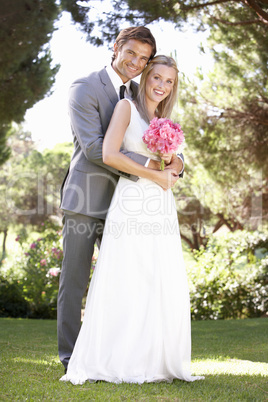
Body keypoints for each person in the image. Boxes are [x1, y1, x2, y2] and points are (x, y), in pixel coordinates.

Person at [60, 55, 203, 384]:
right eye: (157, 78)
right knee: (122, 277)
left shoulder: (162, 117)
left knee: (154, 279)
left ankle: (150, 358)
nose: (162, 86)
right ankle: (100, 358)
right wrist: (154, 172)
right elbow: (108, 153)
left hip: (159, 205)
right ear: (147, 76)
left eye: (169, 82)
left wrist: (175, 166)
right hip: (130, 197)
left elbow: (178, 157)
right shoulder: (125, 106)